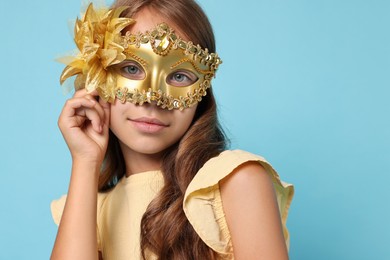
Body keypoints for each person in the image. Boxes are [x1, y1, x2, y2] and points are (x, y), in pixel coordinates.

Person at [50, 0, 294, 259]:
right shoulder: (92, 209)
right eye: (131, 68)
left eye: (179, 76)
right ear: (97, 77)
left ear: (201, 89)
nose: (153, 98)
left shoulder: (235, 182)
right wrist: (85, 162)